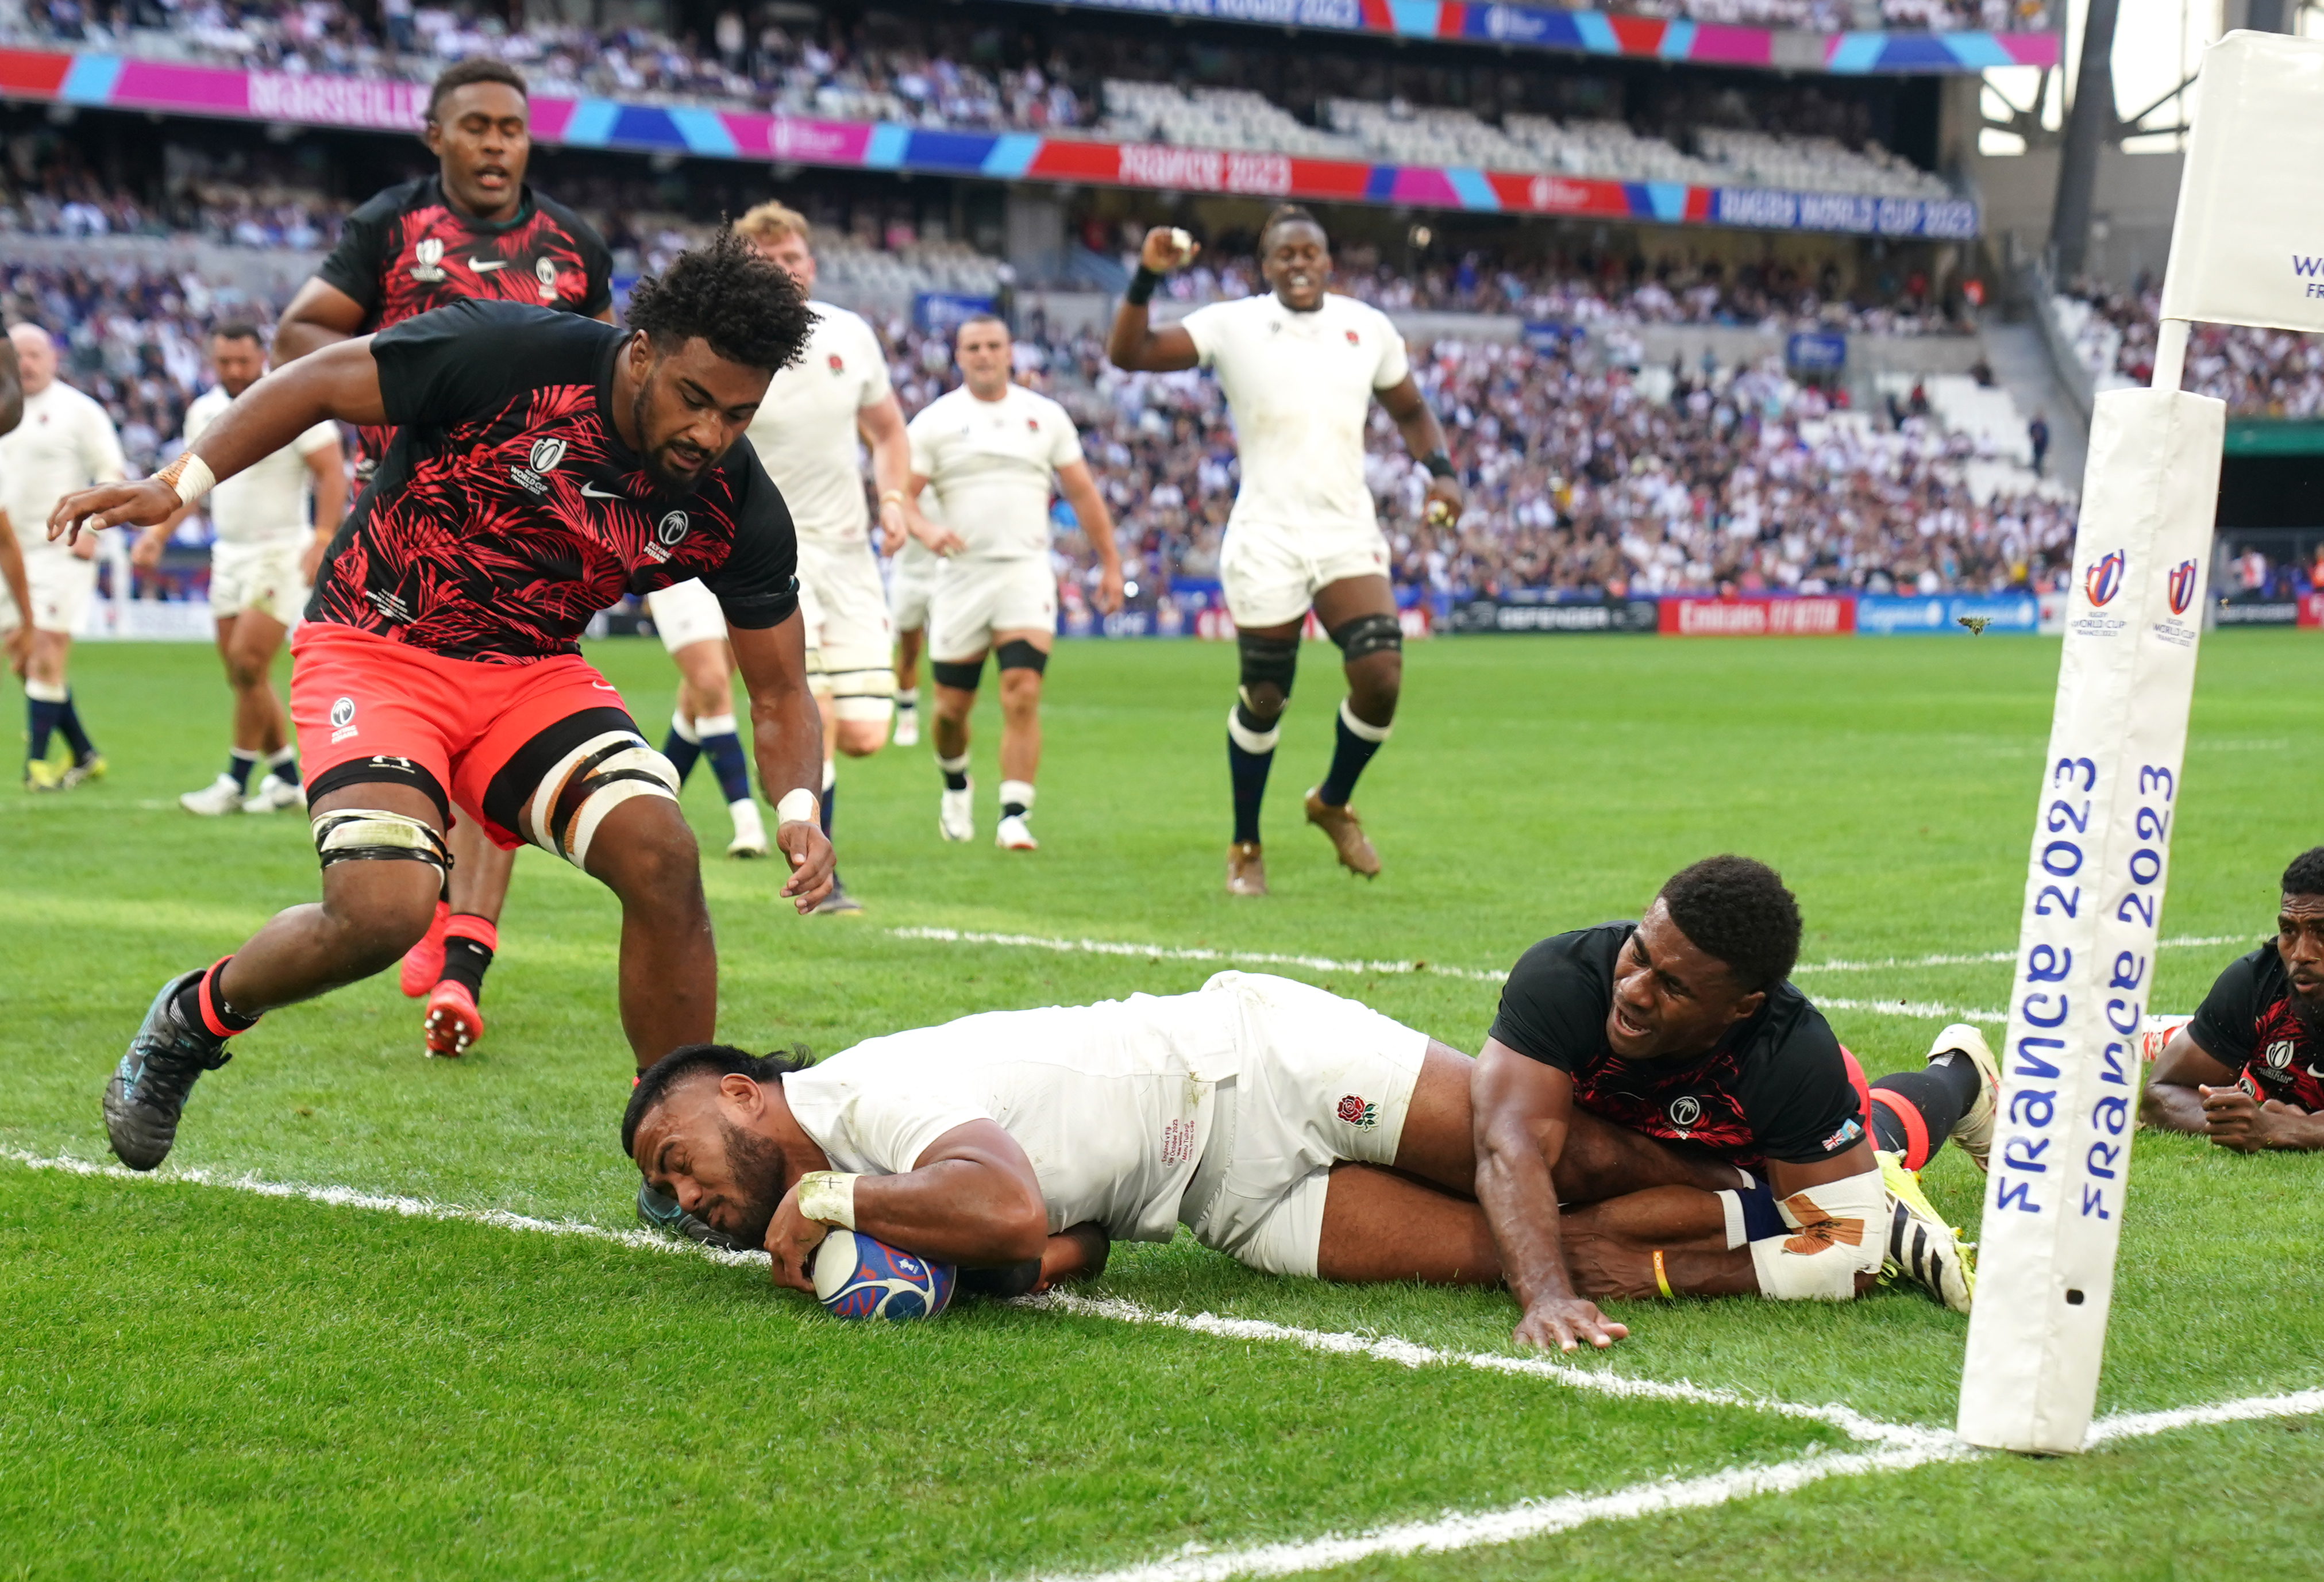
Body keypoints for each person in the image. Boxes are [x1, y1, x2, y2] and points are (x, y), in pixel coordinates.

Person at [53, 234, 833, 1186]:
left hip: (529, 675)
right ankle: (195, 1017)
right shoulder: (515, 354)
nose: (711, 433)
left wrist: (799, 812)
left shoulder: (732, 498)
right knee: (383, 910)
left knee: (663, 854)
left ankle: (673, 1147)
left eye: (738, 414)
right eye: (696, 398)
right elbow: (318, 379)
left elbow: (782, 686)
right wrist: (174, 485)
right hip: (377, 647)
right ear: (641, 351)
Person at [273, 56, 614, 1055]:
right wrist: (392, 387)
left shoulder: (572, 247)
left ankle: (465, 956)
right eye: (476, 126)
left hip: (527, 529)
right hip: (409, 524)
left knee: (498, 742)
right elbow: (302, 331)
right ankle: (428, 909)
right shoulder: (390, 227)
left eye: (512, 126)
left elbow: (611, 372)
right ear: (437, 136)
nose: (496, 143)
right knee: (430, 742)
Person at [624, 971, 1504, 1292]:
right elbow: (1074, 1238)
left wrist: (831, 1197)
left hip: (1259, 1064)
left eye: (678, 1164)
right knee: (1520, 1247)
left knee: (1544, 1161)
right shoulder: (861, 1191)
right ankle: (1656, 1267)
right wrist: (949, 1275)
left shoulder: (860, 1095)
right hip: (1229, 1206)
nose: (690, 1199)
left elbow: (1008, 1207)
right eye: (672, 1196)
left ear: (742, 1093)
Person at [1469, 856, 1987, 1353]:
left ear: (1741, 1007)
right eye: (1639, 954)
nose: (1632, 991)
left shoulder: (1790, 1057)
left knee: (1876, 1149)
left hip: (1770, 1147)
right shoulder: (1566, 976)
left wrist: (1663, 1270)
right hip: (1651, 1135)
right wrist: (1547, 1296)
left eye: (1672, 986)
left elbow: (1849, 1258)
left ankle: (1959, 1077)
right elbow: (1505, 1145)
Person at [1105, 209, 1462, 896]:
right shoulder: (1232, 324)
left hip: (1343, 530)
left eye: (1310, 253)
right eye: (1283, 255)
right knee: (1266, 694)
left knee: (1381, 674)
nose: (1298, 263)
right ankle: (1245, 843)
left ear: (1330, 263)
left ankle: (1330, 800)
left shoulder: (1368, 328)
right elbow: (1131, 353)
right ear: (1266, 268)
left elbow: (1411, 410)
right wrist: (1148, 274)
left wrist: (1441, 471)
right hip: (1266, 533)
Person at [723, 201, 923, 911]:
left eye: (795, 257)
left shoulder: (850, 334)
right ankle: (821, 872)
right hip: (770, 556)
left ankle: (749, 785)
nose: (787, 269)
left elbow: (888, 433)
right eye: (770, 260)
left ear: (813, 262)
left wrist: (895, 500)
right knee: (820, 708)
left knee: (867, 731)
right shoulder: (729, 341)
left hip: (849, 554)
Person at [907, 315, 1121, 850]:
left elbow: (1082, 492)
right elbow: (899, 496)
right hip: (961, 578)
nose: (984, 354)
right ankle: (956, 782)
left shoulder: (1043, 417)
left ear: (1011, 353)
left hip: (1024, 572)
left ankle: (1013, 815)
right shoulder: (934, 423)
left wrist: (1111, 563)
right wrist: (926, 528)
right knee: (951, 712)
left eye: (993, 345)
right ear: (958, 356)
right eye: (973, 346)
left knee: (1021, 693)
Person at [136, 324, 346, 817]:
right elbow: (189, 483)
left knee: (250, 662)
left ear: (262, 359)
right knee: (242, 673)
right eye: (224, 362)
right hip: (227, 553)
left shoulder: (295, 397)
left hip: (279, 551)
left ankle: (234, 781)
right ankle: (286, 779)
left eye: (243, 362)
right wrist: (157, 534)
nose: (233, 371)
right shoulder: (205, 411)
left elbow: (331, 471)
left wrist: (320, 539)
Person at [2, 323, 125, 791]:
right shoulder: (4, 408)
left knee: (46, 651)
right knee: (22, 659)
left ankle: (35, 768)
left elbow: (109, 471)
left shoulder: (78, 411)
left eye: (36, 354)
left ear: (53, 358)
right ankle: (85, 752)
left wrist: (93, 527)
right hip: (9, 555)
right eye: (19, 354)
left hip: (61, 550)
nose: (27, 363)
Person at [2142, 846, 2324, 1152]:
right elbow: (2159, 1096)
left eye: (2322, 932)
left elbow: (2287, 1129)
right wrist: (2242, 1125)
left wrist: (2295, 1129)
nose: (2301, 954)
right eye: (2289, 930)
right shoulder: (2256, 982)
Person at [887, 528, 941, 748]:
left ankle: (945, 720)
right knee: (909, 652)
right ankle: (907, 720)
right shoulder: (902, 493)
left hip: (945, 576)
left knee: (948, 656)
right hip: (908, 577)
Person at [2028, 411, 2051, 478]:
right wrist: (2033, 437)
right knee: (2036, 457)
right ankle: (2035, 472)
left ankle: (2038, 473)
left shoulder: (2044, 426)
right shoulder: (2035, 425)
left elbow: (2046, 437)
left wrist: (2046, 446)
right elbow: (2030, 431)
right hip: (2036, 444)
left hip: (2042, 446)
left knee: (2040, 459)